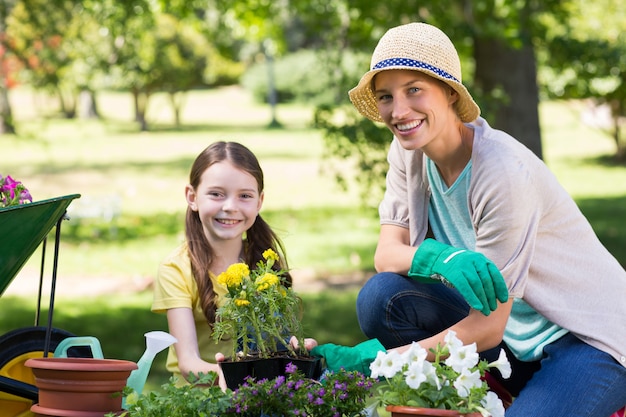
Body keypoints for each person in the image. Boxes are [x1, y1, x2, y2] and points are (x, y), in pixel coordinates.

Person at [310, 22, 626, 416]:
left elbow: (487, 326)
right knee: (381, 298)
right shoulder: (408, 151)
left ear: (449, 94)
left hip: (585, 338)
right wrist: (438, 258)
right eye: (386, 96)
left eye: (414, 90)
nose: (399, 111)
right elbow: (386, 254)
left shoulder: (502, 173)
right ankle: (468, 395)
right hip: (513, 341)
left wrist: (377, 360)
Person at [152, 141, 297, 388]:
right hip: (198, 401)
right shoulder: (176, 269)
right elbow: (188, 363)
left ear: (259, 202)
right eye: (217, 194)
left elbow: (275, 342)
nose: (230, 207)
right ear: (192, 197)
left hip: (258, 395)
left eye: (245, 196)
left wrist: (295, 350)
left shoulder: (265, 263)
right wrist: (234, 377)